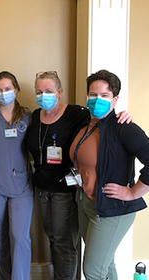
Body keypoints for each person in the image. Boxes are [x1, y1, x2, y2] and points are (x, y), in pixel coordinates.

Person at [26, 71, 133, 280]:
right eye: (39, 92)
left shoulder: (77, 113)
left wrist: (125, 115)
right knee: (54, 240)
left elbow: (105, 118)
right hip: (42, 187)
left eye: (48, 91)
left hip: (66, 190)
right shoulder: (34, 116)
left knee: (65, 243)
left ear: (59, 92)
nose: (43, 95)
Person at [69, 70, 149, 280]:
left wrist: (133, 193)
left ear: (115, 99)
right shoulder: (85, 123)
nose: (97, 100)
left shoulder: (123, 127)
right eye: (93, 95)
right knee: (106, 263)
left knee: (93, 271)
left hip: (112, 209)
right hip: (87, 202)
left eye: (104, 95)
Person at [0, 71, 33, 280]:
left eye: (7, 89)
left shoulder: (28, 116)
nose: (3, 93)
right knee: (0, 235)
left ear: (16, 89)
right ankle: (5, 276)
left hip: (22, 185)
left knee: (19, 237)